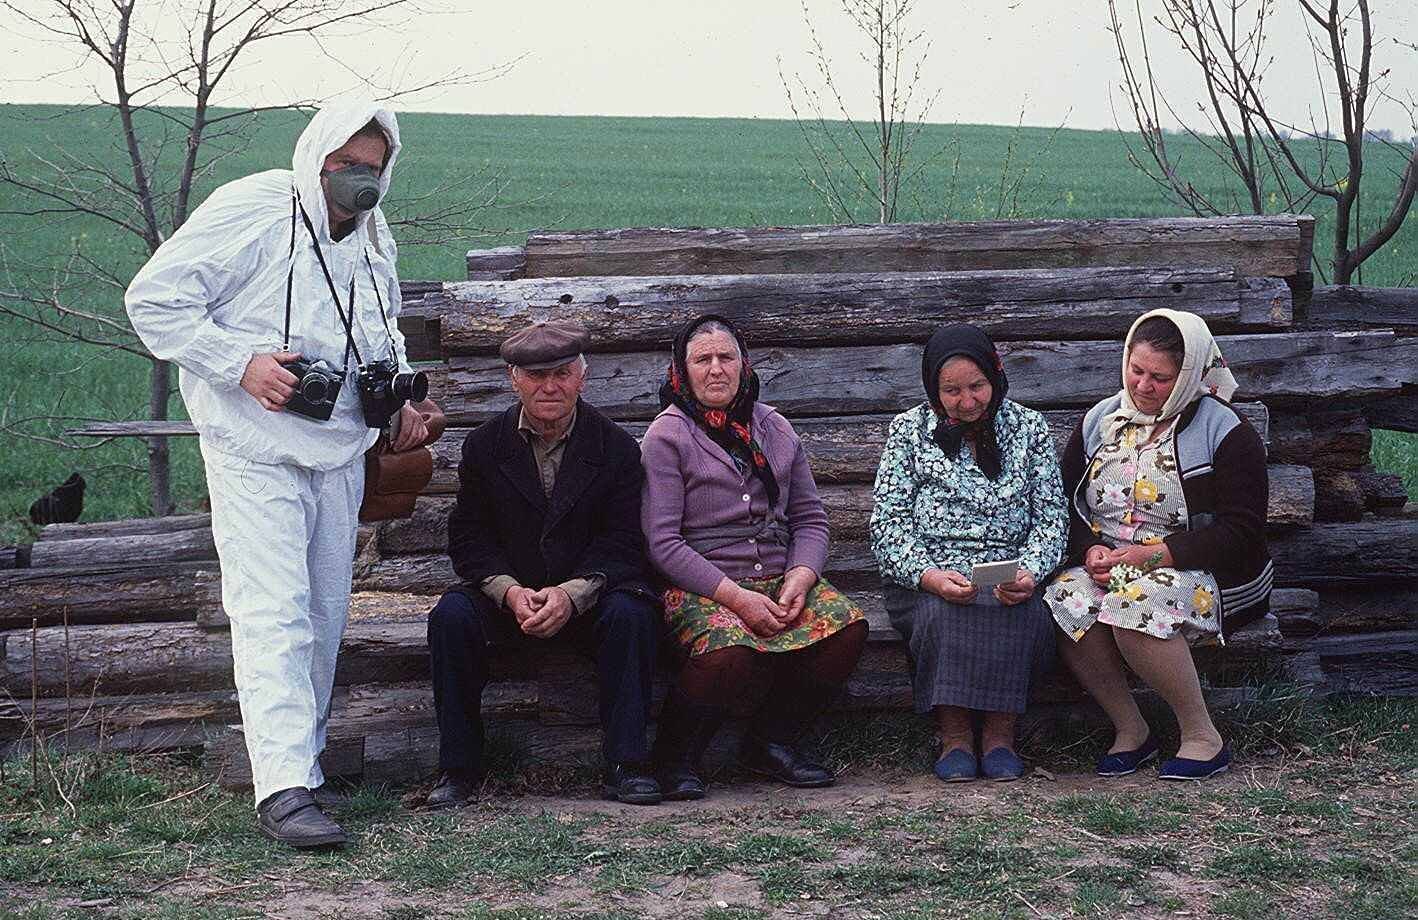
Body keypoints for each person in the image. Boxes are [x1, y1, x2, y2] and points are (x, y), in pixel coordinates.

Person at [125, 102, 426, 848]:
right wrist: (242, 364)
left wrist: (400, 397)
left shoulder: (373, 232)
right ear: (316, 156)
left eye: (372, 166)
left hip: (338, 448)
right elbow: (153, 301)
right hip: (254, 447)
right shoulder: (254, 207)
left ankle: (307, 768)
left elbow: (379, 322)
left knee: (325, 613)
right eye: (345, 165)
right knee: (274, 611)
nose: (360, 179)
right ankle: (282, 789)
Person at [425, 321, 664, 808]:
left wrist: (572, 593)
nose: (549, 387)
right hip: (511, 598)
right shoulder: (485, 446)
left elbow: (623, 541)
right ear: (513, 378)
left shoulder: (615, 447)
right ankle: (459, 768)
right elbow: (469, 538)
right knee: (450, 617)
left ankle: (627, 764)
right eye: (535, 376)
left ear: (582, 375)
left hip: (588, 599)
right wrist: (510, 592)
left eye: (562, 373)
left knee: (633, 614)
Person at [641, 314, 868, 800]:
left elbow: (809, 518)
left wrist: (801, 577)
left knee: (847, 627)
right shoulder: (667, 436)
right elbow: (662, 543)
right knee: (728, 651)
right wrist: (737, 599)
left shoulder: (775, 427)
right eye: (703, 359)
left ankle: (771, 741)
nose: (716, 369)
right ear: (681, 371)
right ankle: (674, 756)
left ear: (745, 364)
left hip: (777, 579)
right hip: (704, 585)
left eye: (727, 357)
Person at [1044, 309, 1271, 780]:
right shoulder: (1101, 421)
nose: (1143, 386)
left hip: (1206, 572)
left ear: (1189, 377)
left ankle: (1202, 736)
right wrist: (1090, 549)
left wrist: (1155, 555)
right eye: (1136, 370)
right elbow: (1062, 504)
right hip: (1112, 563)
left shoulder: (1225, 432)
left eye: (1161, 378)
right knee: (1065, 599)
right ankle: (1132, 729)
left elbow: (1241, 531)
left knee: (1136, 604)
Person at [870, 324, 1067, 782]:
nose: (967, 401)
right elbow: (888, 524)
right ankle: (955, 736)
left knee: (1018, 609)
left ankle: (1000, 736)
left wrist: (1031, 572)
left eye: (977, 386)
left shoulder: (1029, 428)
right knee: (944, 611)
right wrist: (928, 574)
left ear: (995, 377)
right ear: (933, 389)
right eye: (952, 391)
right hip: (927, 576)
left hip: (1010, 570)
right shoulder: (909, 432)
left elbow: (1053, 519)